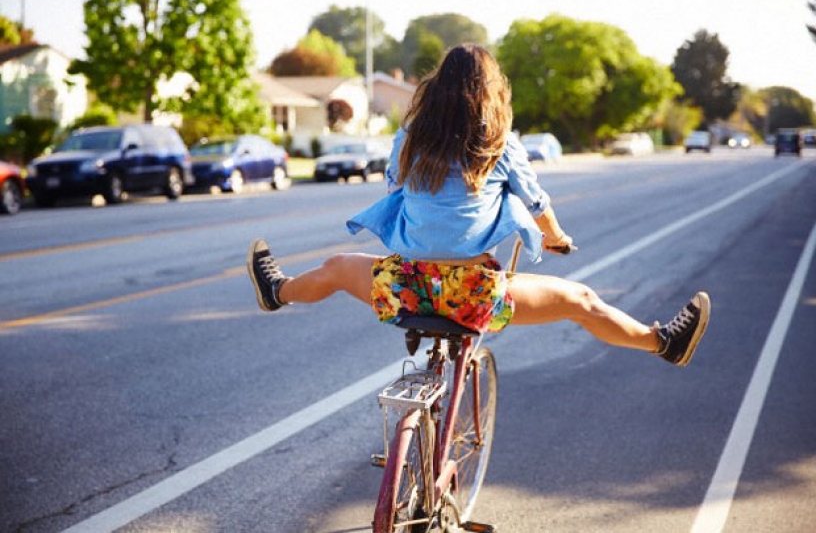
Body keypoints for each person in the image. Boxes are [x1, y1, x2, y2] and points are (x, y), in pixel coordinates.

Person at [247, 44, 710, 367]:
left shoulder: (409, 138)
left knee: (332, 266)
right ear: (491, 93)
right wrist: (556, 238)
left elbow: (394, 192)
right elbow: (537, 203)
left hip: (405, 286)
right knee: (582, 301)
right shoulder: (498, 143)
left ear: (435, 88)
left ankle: (278, 291)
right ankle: (663, 343)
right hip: (473, 296)